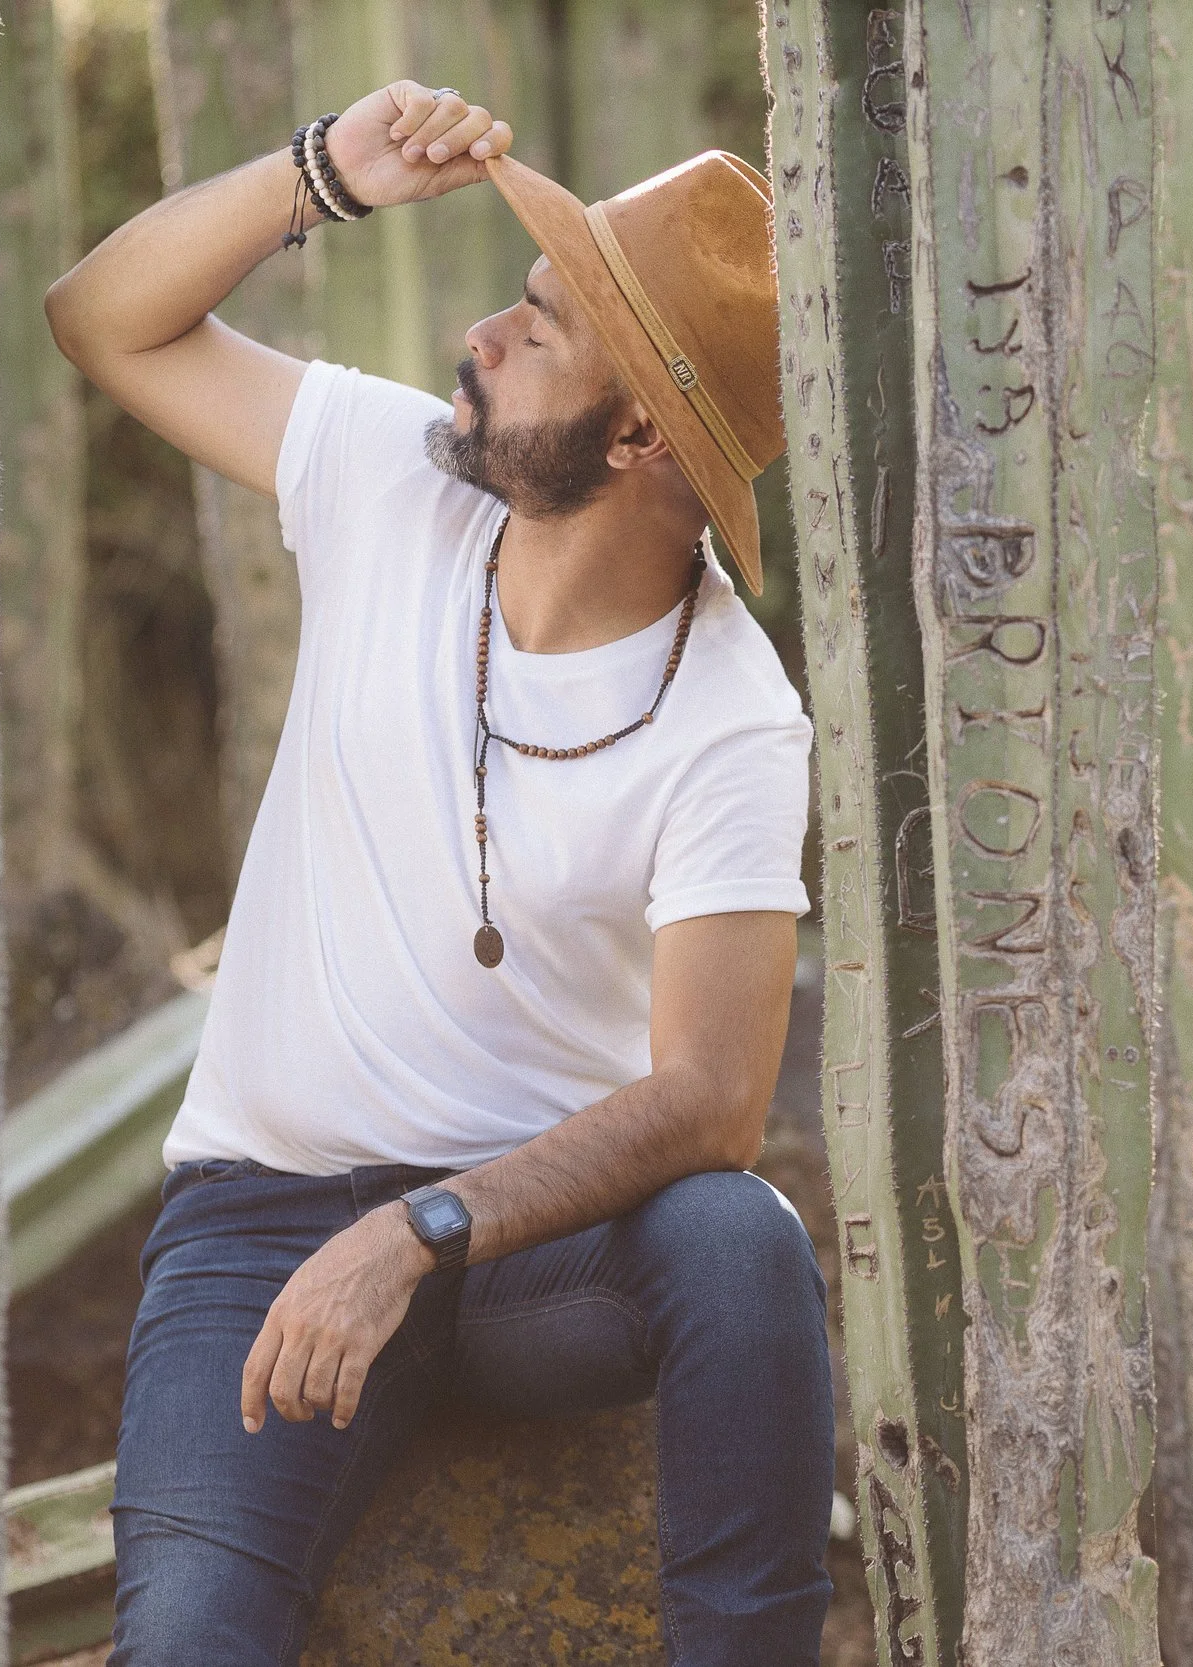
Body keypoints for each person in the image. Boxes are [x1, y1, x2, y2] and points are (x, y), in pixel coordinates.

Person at [44, 79, 833, 1666]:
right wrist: (319, 175)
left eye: (541, 328)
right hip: (258, 1219)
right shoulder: (391, 481)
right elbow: (100, 319)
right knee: (191, 1639)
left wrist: (424, 1231)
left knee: (743, 1237)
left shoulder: (736, 718)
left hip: (537, 1257)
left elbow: (711, 1102)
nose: (480, 333)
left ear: (637, 435)